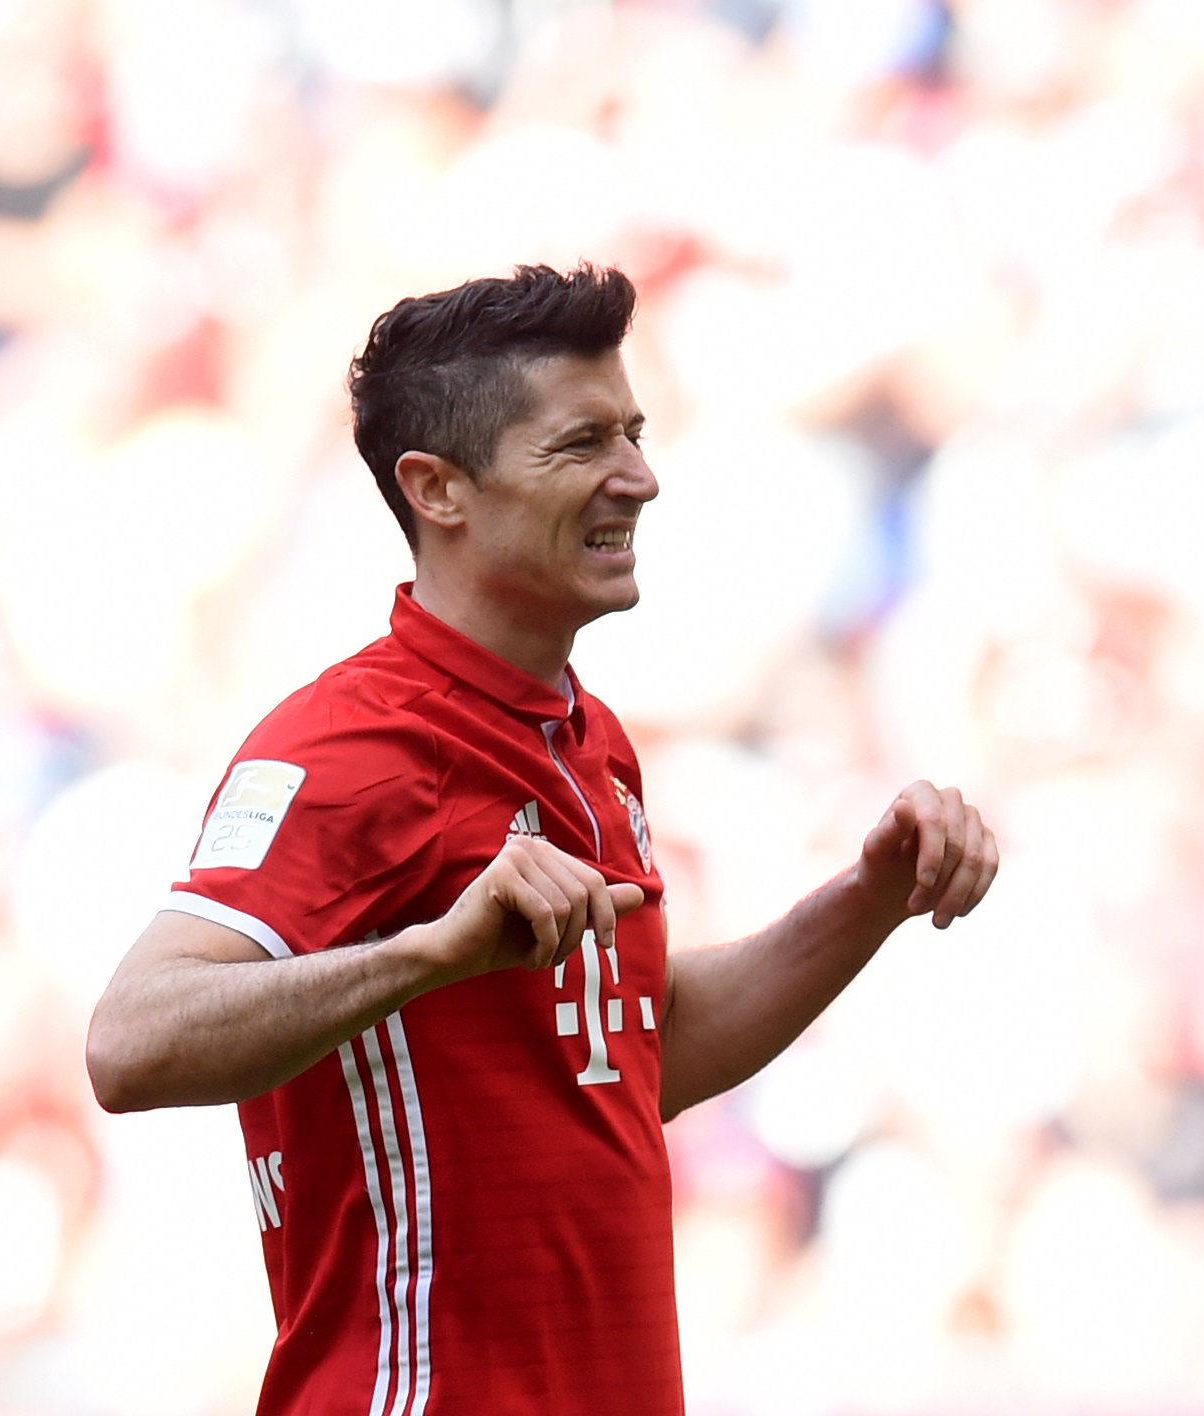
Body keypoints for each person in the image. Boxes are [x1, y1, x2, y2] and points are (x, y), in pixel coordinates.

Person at [84, 263, 998, 1415]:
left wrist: (869, 895)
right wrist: (427, 957)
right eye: (580, 446)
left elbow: (637, 1054)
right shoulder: (349, 746)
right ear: (438, 490)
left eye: (633, 431)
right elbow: (129, 1044)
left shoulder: (590, 741)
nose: (640, 478)